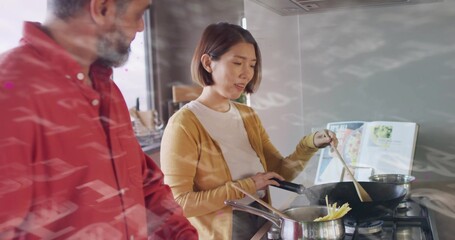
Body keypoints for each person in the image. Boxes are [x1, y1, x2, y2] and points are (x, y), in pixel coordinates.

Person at [0, 0, 197, 239]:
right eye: (138, 14)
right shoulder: (11, 91)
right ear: (102, 8)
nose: (141, 27)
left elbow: (144, 185)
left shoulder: (109, 92)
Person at [160, 22, 338, 240]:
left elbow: (279, 173)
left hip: (262, 220)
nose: (247, 74)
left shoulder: (248, 116)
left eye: (252, 65)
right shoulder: (184, 124)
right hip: (225, 233)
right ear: (208, 63)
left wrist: (310, 145)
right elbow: (178, 203)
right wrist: (248, 186)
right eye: (237, 63)